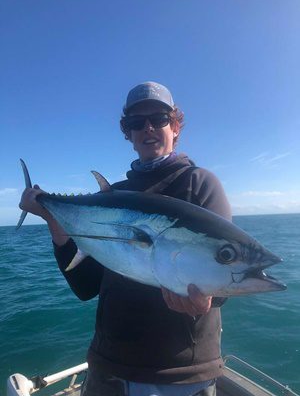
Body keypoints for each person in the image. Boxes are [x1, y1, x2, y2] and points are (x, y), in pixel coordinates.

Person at [19, 81, 231, 396]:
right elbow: (86, 286)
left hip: (181, 375)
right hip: (109, 369)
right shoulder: (110, 197)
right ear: (128, 133)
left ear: (174, 126)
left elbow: (226, 268)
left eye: (158, 119)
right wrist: (53, 217)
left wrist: (208, 300)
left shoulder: (200, 185)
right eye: (135, 122)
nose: (147, 128)